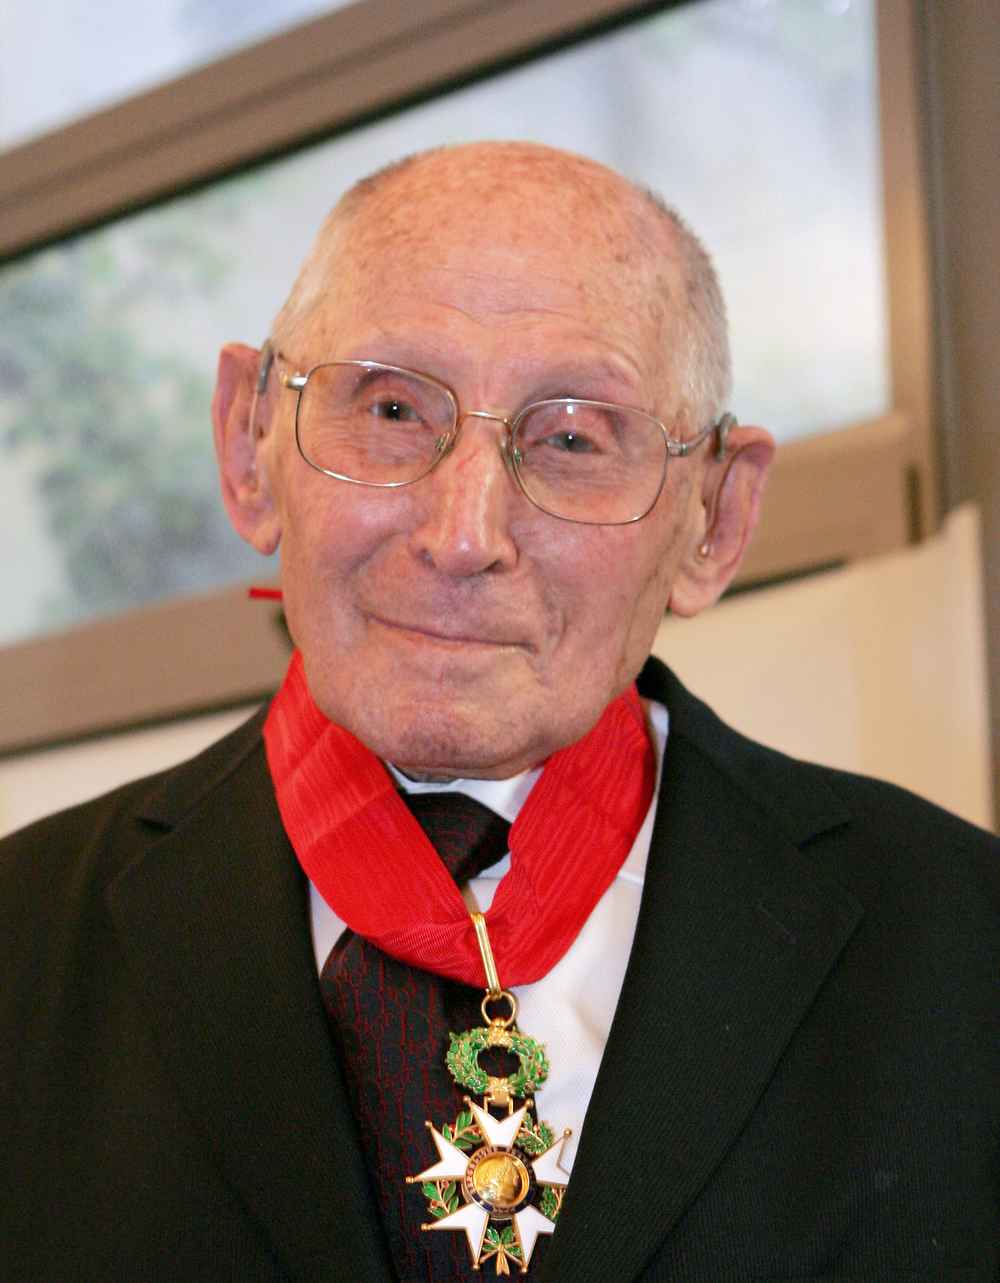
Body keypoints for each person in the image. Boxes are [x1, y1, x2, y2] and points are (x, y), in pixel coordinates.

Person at [1, 141, 997, 1283]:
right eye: (389, 407)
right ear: (246, 445)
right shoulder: (20, 955)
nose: (462, 533)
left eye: (572, 437)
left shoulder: (962, 950)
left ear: (714, 518)